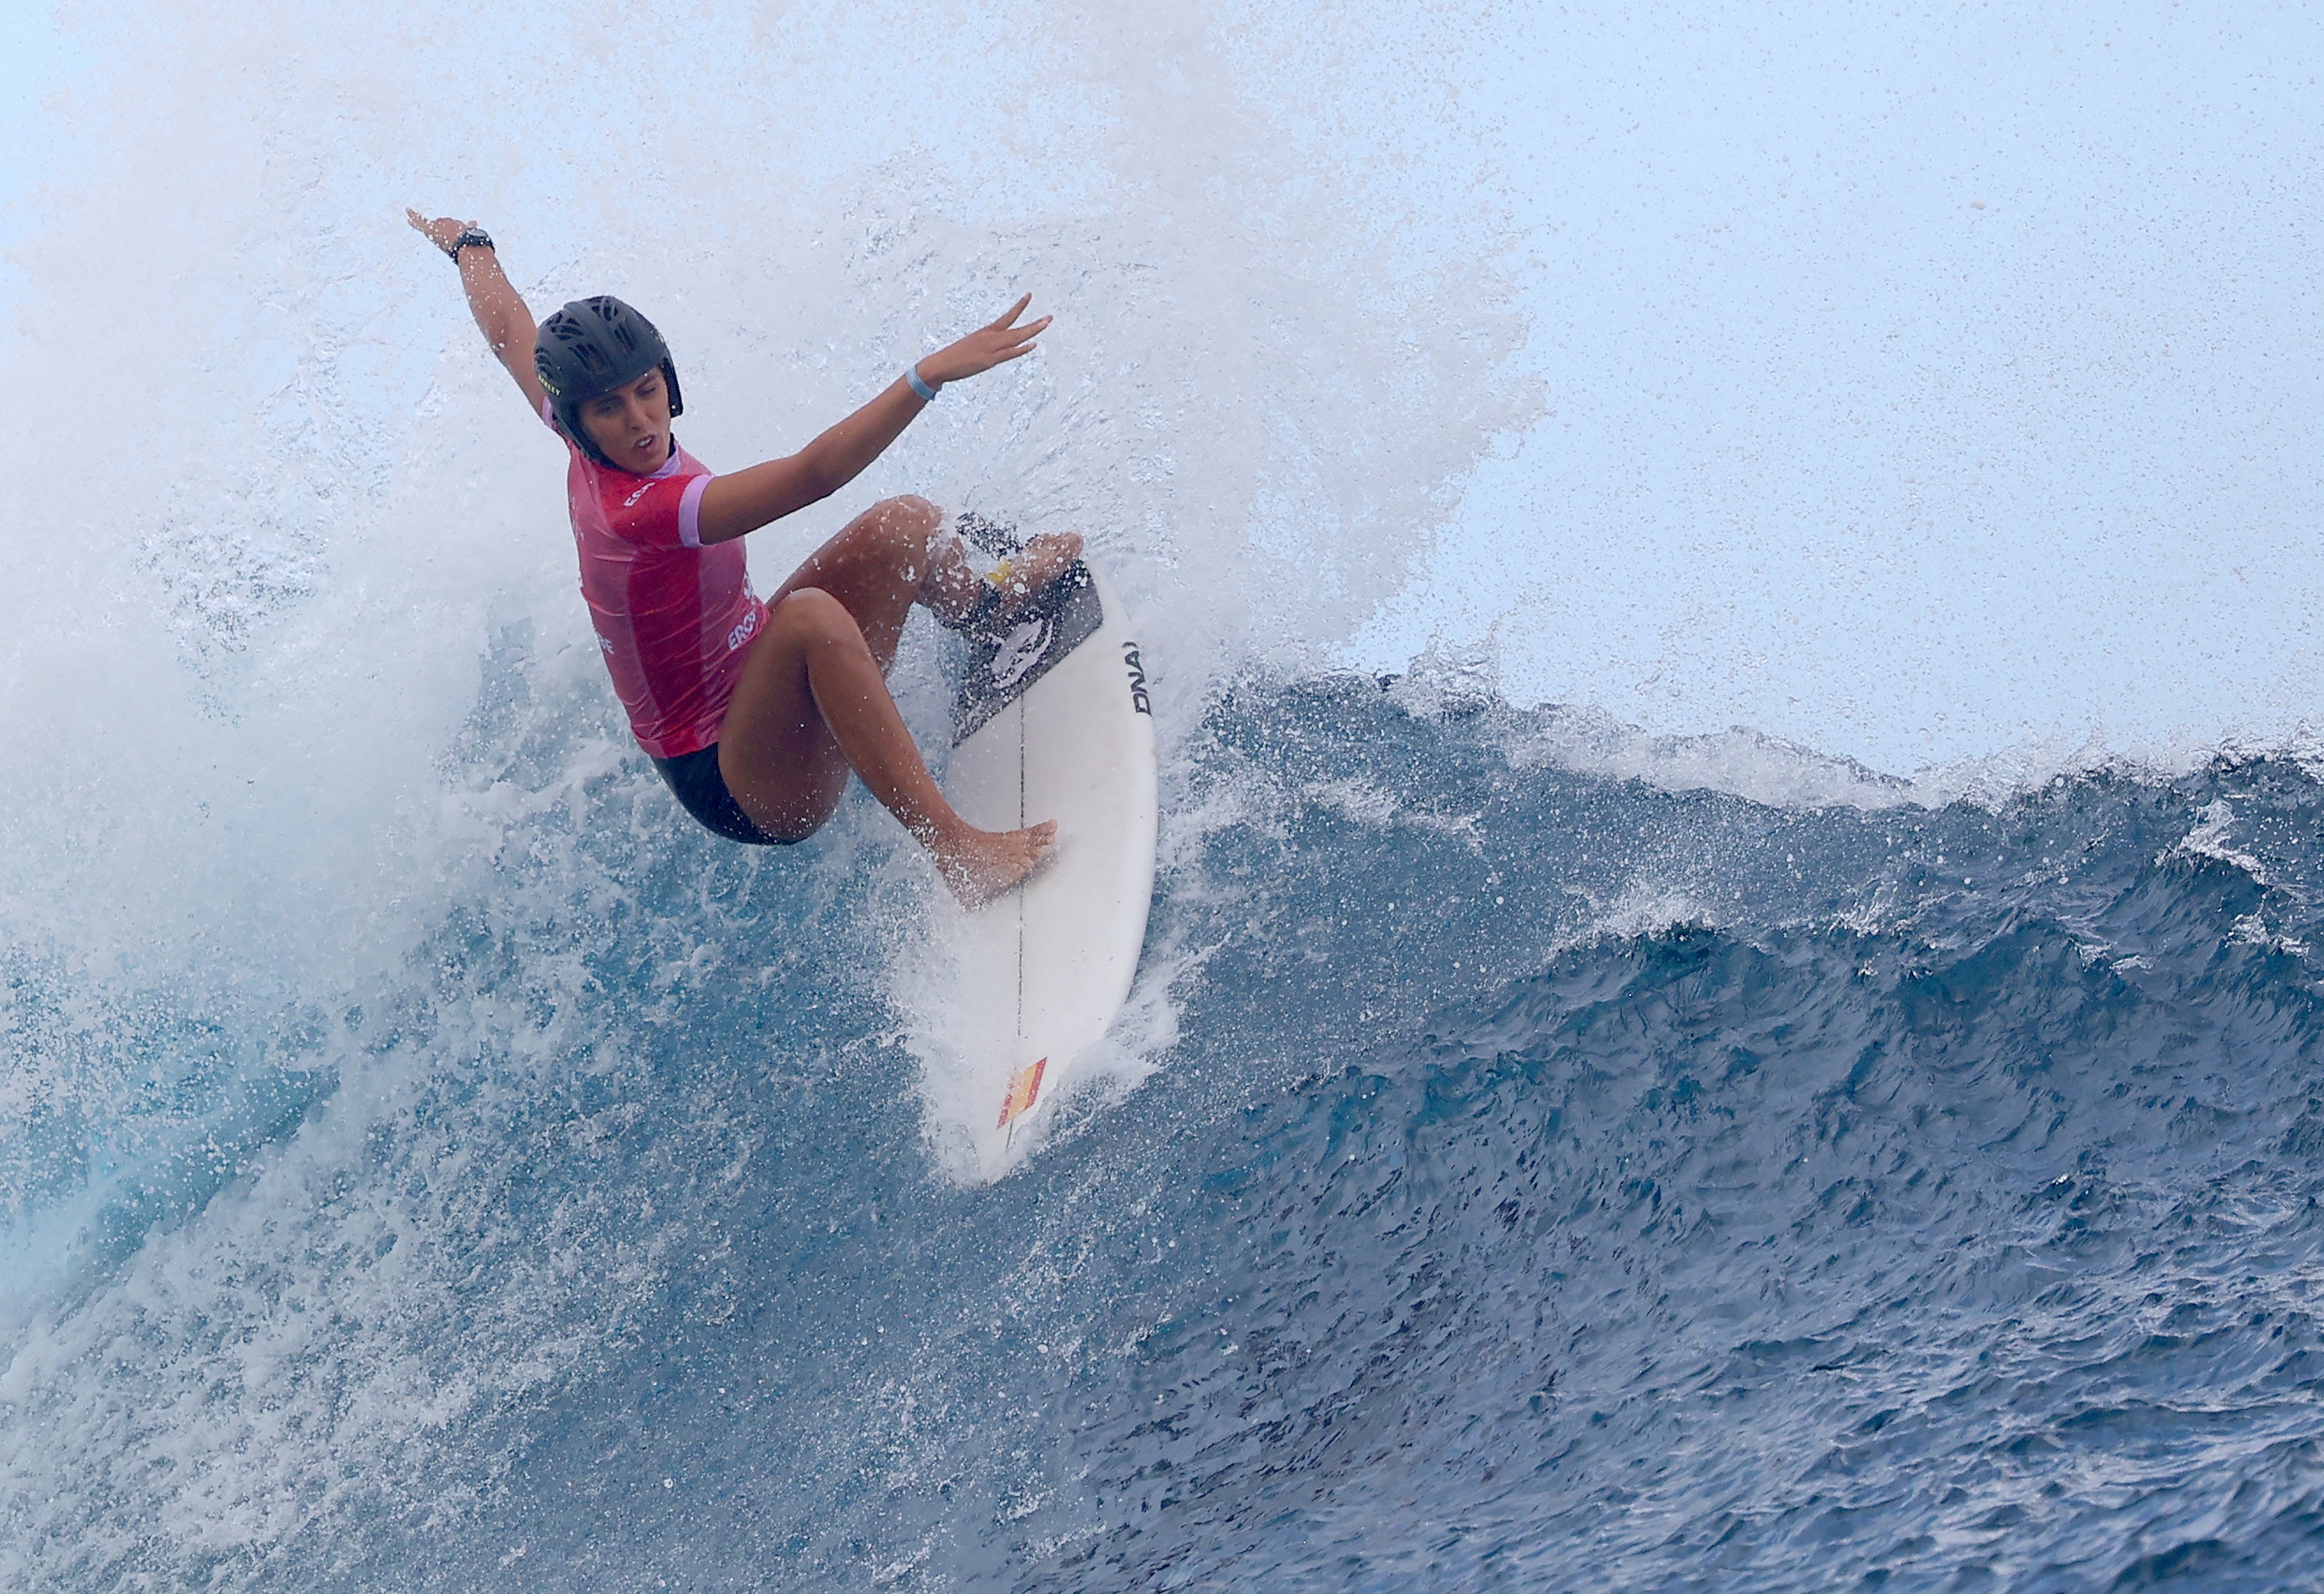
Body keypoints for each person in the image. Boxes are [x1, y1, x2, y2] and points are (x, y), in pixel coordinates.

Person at [406, 210, 1081, 906]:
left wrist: (468, 246)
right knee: (811, 619)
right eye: (610, 408)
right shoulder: (644, 510)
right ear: (579, 419)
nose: (639, 420)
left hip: (755, 677)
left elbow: (510, 333)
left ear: (666, 379)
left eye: (646, 389)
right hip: (736, 782)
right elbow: (812, 474)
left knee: (901, 525)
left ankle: (988, 610)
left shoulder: (577, 426)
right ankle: (957, 852)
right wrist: (927, 375)